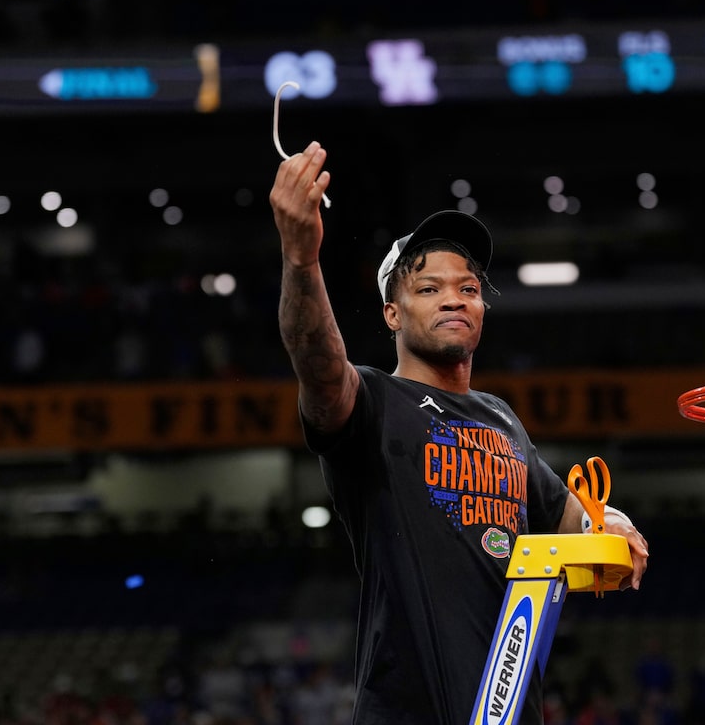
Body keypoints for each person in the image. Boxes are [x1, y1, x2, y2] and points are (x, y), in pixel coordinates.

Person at [269, 140, 650, 725]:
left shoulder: (502, 420)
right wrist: (302, 261)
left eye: (468, 288)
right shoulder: (371, 400)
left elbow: (569, 515)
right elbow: (316, 362)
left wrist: (614, 523)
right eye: (428, 288)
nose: (454, 298)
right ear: (392, 313)